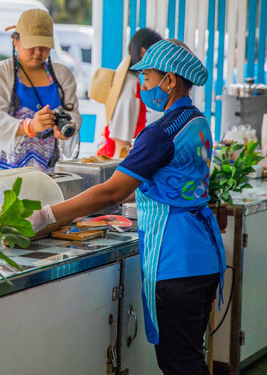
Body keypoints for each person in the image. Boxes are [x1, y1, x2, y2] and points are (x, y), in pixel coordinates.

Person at [30, 39, 225, 375]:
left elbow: (111, 193)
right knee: (190, 358)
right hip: (204, 256)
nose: (143, 88)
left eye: (147, 79)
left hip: (175, 260)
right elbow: (172, 184)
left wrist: (47, 214)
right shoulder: (197, 122)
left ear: (170, 79)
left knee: (180, 364)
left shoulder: (161, 132)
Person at [0, 9, 80, 174]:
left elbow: (74, 114)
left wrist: (67, 129)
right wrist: (30, 125)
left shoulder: (62, 75)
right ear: (15, 40)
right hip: (5, 171)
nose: (38, 52)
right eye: (31, 45)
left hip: (50, 170)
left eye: (43, 46)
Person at [92, 28, 163, 157]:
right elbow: (122, 143)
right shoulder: (131, 85)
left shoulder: (128, 81)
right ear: (143, 52)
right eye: (157, 54)